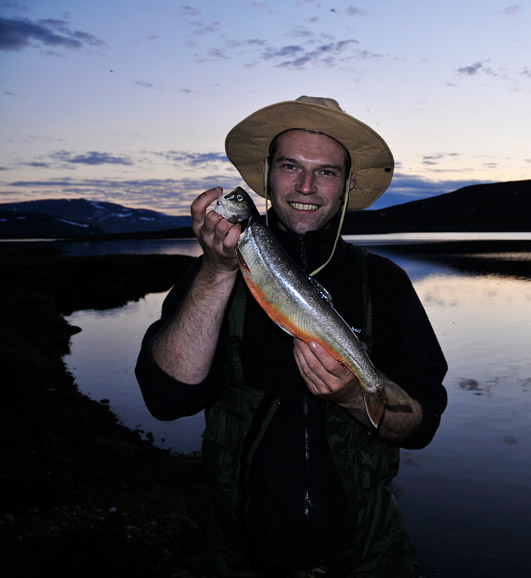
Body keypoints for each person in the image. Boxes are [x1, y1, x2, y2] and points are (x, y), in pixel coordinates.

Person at [135, 96, 448, 578]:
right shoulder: (212, 277)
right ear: (266, 175)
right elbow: (167, 399)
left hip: (369, 560)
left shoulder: (386, 284)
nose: (306, 186)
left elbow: (421, 425)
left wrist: (353, 396)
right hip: (240, 560)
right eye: (290, 166)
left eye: (326, 172)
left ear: (347, 185)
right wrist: (217, 271)